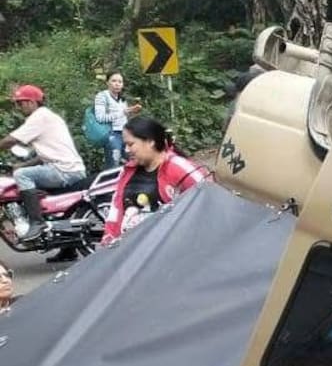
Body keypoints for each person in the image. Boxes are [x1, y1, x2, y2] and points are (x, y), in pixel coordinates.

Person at [102, 116, 210, 244]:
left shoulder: (178, 167)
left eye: (130, 144)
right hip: (132, 250)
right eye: (125, 145)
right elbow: (116, 208)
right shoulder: (127, 171)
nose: (126, 150)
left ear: (150, 141)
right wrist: (109, 237)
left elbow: (211, 195)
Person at [0, 85, 88, 242]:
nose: (18, 107)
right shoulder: (47, 117)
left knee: (22, 176)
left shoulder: (39, 117)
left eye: (21, 103)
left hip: (64, 171)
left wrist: (21, 169)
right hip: (68, 168)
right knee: (23, 173)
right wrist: (22, 164)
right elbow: (45, 155)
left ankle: (36, 222)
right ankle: (67, 247)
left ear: (33, 102)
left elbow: (11, 140)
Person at [93, 71, 141, 169]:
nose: (117, 84)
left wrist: (131, 111)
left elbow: (123, 117)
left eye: (120, 82)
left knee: (131, 162)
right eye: (114, 81)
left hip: (125, 134)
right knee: (113, 165)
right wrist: (123, 112)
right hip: (112, 134)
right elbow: (100, 118)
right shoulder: (102, 96)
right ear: (107, 82)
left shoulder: (122, 98)